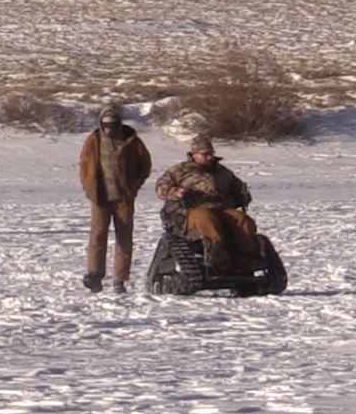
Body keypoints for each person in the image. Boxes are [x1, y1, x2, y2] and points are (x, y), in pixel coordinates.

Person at [154, 135, 262, 274]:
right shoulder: (179, 170)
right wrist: (176, 192)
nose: (209, 157)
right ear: (194, 155)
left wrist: (243, 195)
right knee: (206, 218)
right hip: (189, 211)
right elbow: (161, 187)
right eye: (204, 154)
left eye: (211, 154)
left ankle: (246, 258)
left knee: (242, 219)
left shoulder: (222, 171)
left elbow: (237, 186)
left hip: (221, 209)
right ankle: (217, 256)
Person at [78, 105, 152, 293]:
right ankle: (95, 274)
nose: (109, 128)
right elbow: (85, 166)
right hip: (100, 197)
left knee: (124, 238)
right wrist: (89, 188)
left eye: (112, 124)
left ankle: (120, 279)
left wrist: (133, 187)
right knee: (98, 235)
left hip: (124, 198)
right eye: (105, 124)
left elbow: (145, 164)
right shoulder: (93, 140)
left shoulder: (132, 141)